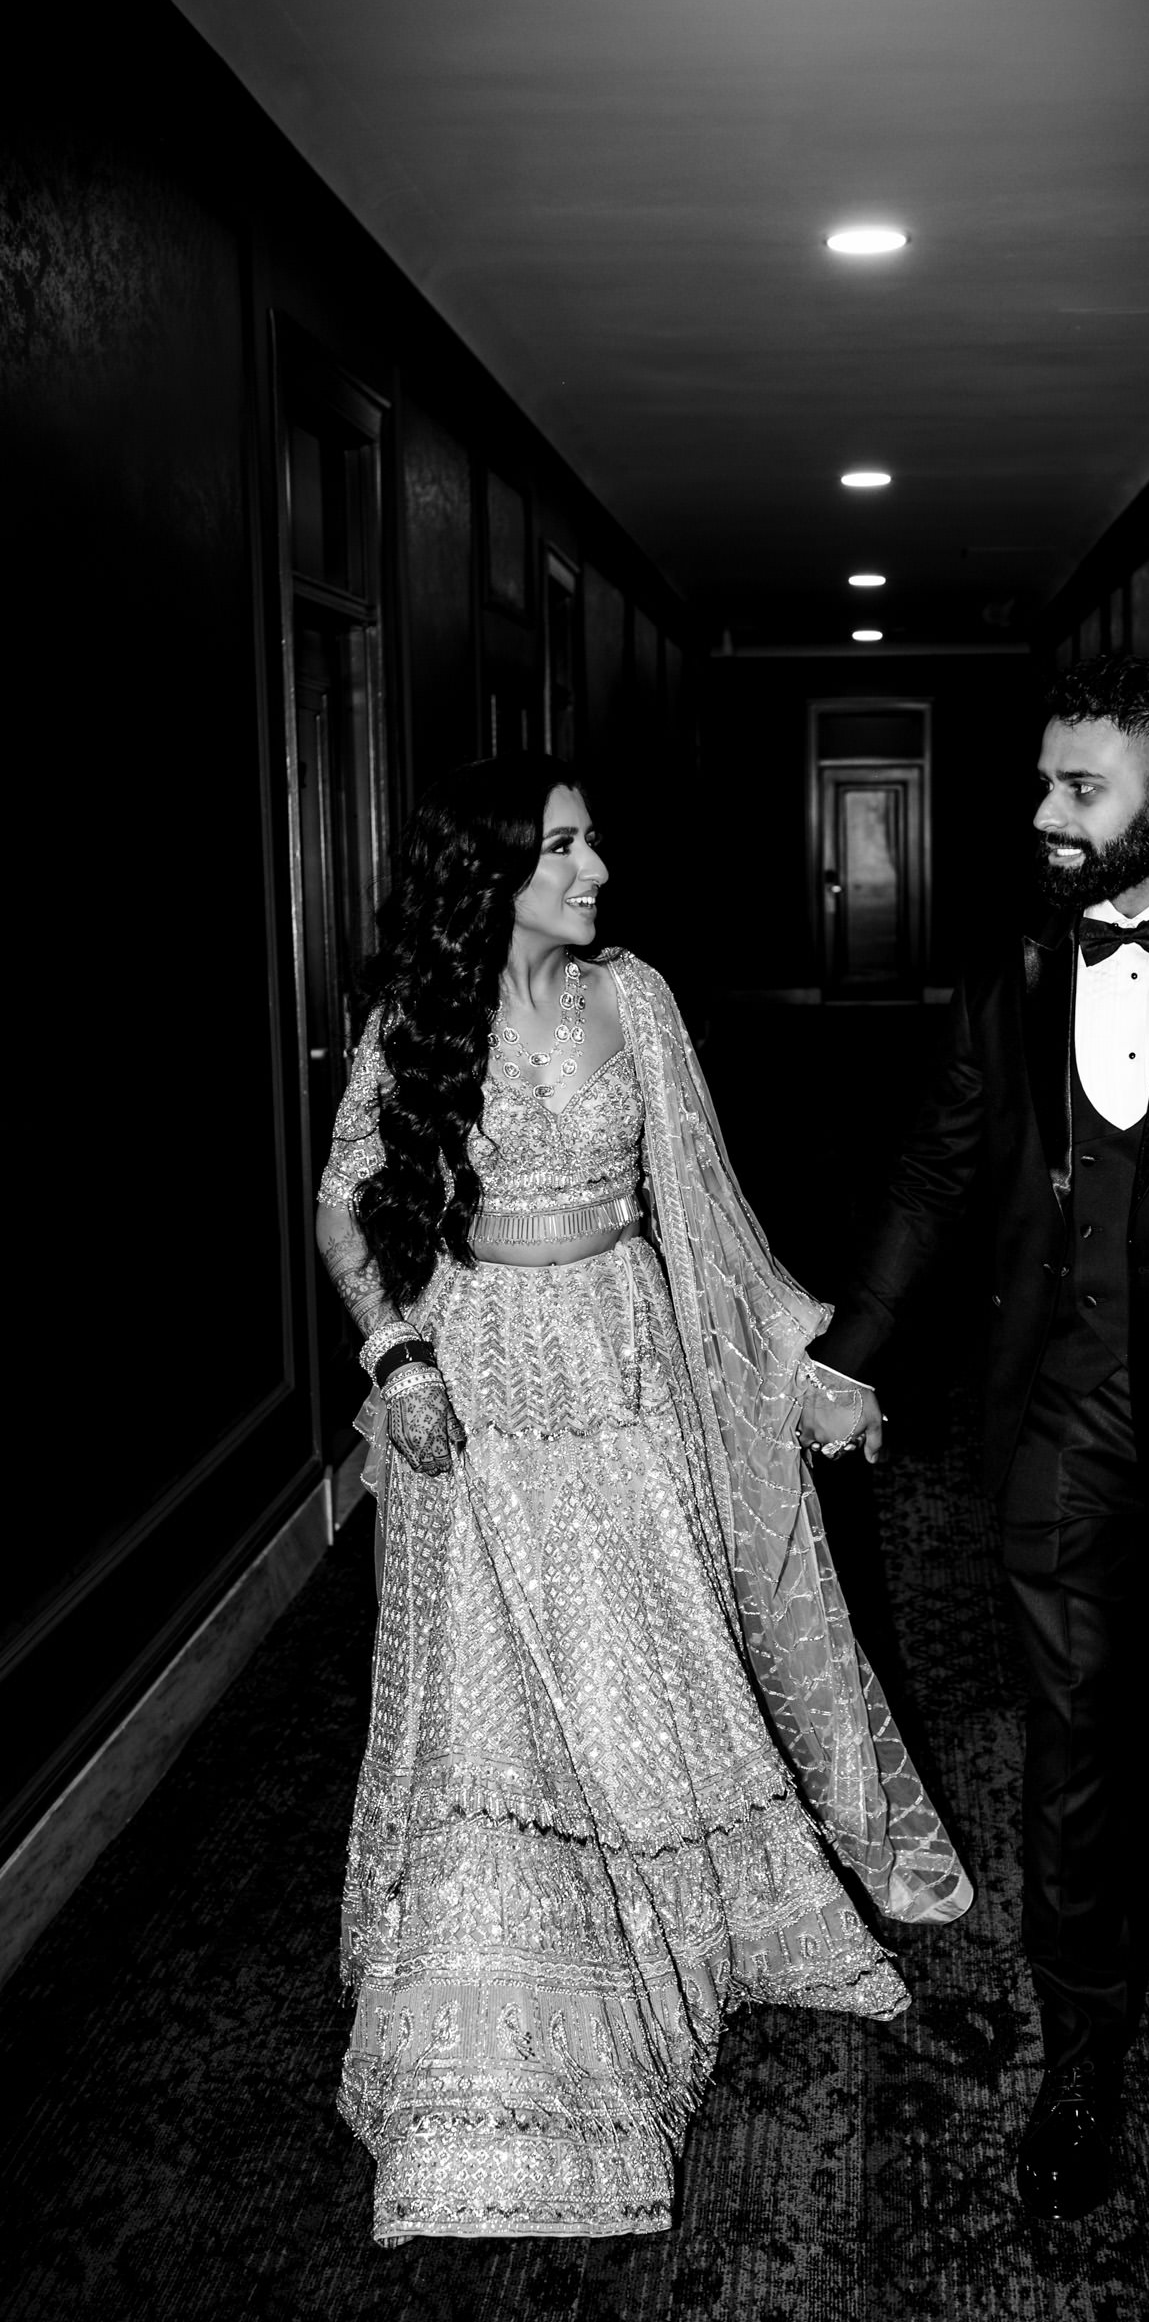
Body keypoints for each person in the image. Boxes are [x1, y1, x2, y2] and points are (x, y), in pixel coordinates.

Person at [314, 756, 970, 2245]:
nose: (597, 865)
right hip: (474, 1384)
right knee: (494, 1700)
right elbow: (343, 1195)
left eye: (593, 837)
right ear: (492, 874)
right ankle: (509, 2013)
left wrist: (801, 1371)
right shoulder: (415, 1021)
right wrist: (396, 1350)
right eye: (563, 845)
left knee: (646, 1657)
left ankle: (684, 1922)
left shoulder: (642, 1002)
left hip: (623, 1362)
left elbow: (712, 1217)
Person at [818, 656, 1149, 2219]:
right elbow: (932, 1173)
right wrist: (853, 1358)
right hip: (1057, 1417)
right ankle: (1084, 2061)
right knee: (1073, 1739)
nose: (1047, 817)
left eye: (1081, 789)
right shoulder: (1017, 977)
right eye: (1043, 784)